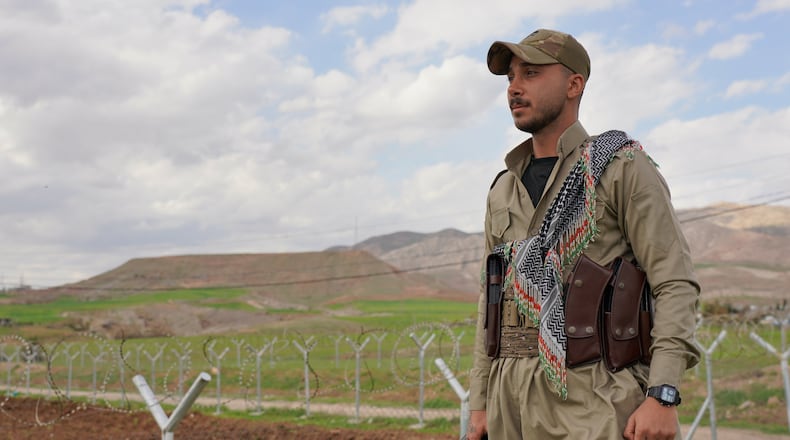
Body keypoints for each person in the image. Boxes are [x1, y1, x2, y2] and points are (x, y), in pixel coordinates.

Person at [467, 29, 700, 440]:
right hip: (509, 401)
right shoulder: (503, 189)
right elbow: (492, 301)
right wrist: (480, 400)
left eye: (531, 73)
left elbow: (674, 281)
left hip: (595, 399)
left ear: (574, 84)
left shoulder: (620, 168)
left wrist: (662, 393)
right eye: (511, 77)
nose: (514, 88)